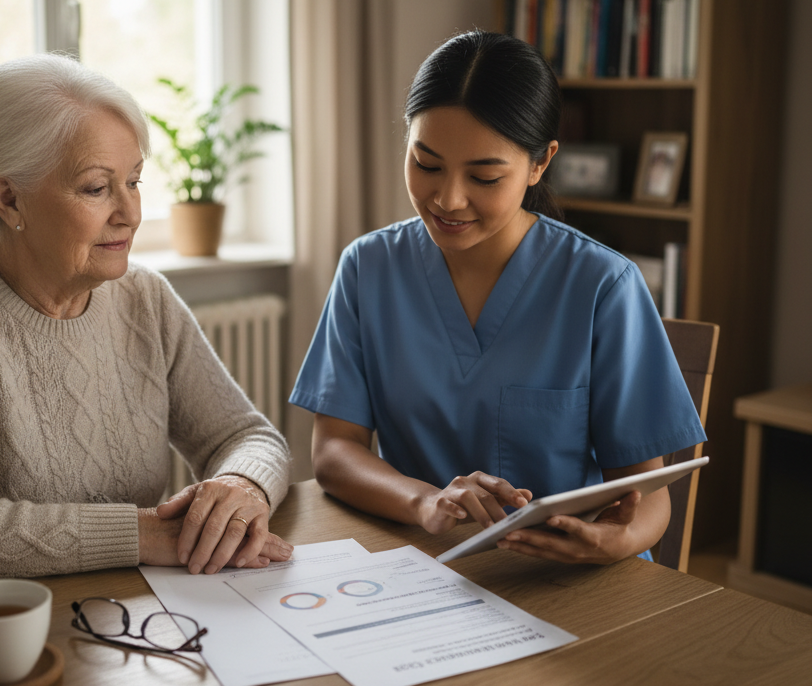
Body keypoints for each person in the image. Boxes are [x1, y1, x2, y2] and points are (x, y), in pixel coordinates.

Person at [290, 31, 705, 565]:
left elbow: (647, 496)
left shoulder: (603, 286)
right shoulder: (368, 268)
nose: (448, 199)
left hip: (563, 576)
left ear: (540, 163)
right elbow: (333, 451)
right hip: (423, 562)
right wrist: (425, 501)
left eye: (484, 176)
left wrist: (615, 540)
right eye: (427, 164)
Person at [0, 54, 292, 580]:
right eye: (97, 188)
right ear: (10, 199)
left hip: (131, 606)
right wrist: (142, 534)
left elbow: (248, 436)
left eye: (134, 182)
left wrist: (241, 486)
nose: (131, 214)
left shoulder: (145, 298)